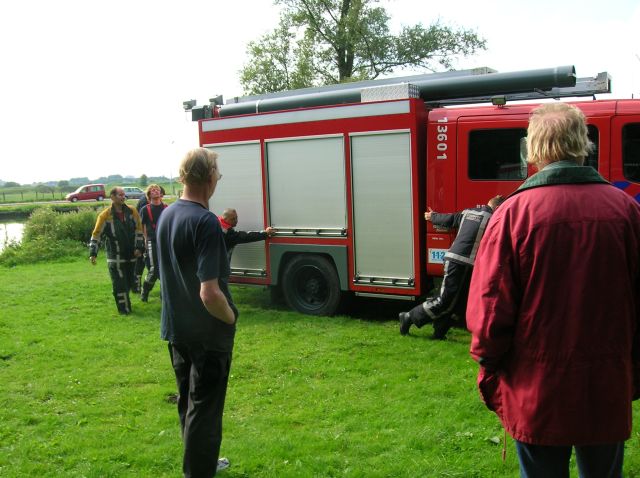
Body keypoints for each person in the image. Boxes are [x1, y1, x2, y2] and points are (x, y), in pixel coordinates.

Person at [466, 103, 640, 477]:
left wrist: (488, 363)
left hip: (536, 390)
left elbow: (491, 309)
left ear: (534, 149)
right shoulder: (625, 211)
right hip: (605, 386)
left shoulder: (512, 215)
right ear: (582, 144)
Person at [156, 148, 238, 477]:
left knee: (189, 403)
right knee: (205, 407)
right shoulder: (205, 222)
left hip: (177, 329)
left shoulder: (169, 214)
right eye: (217, 172)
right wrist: (230, 316)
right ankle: (200, 471)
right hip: (207, 335)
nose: (218, 178)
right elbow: (210, 292)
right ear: (207, 177)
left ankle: (201, 462)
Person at [398, 194, 504, 339]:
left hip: (457, 260)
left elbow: (450, 219)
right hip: (464, 262)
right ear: (498, 207)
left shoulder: (469, 212)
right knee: (445, 299)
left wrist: (432, 216)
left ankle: (439, 331)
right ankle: (409, 316)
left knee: (459, 302)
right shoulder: (493, 219)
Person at [89, 186, 144, 315]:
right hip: (115, 256)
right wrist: (93, 252)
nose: (123, 197)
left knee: (131, 282)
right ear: (112, 197)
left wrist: (139, 247)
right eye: (120, 195)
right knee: (119, 284)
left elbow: (139, 230)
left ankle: (129, 303)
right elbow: (96, 234)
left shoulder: (132, 211)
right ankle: (124, 310)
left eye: (123, 195)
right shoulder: (105, 215)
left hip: (131, 254)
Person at [134, 184, 166, 291]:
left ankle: (165, 293)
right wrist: (145, 241)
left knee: (167, 269)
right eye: (153, 190)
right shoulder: (145, 209)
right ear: (149, 195)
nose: (156, 191)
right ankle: (145, 291)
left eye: (157, 190)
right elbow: (142, 228)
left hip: (165, 242)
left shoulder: (166, 208)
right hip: (152, 241)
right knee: (154, 269)